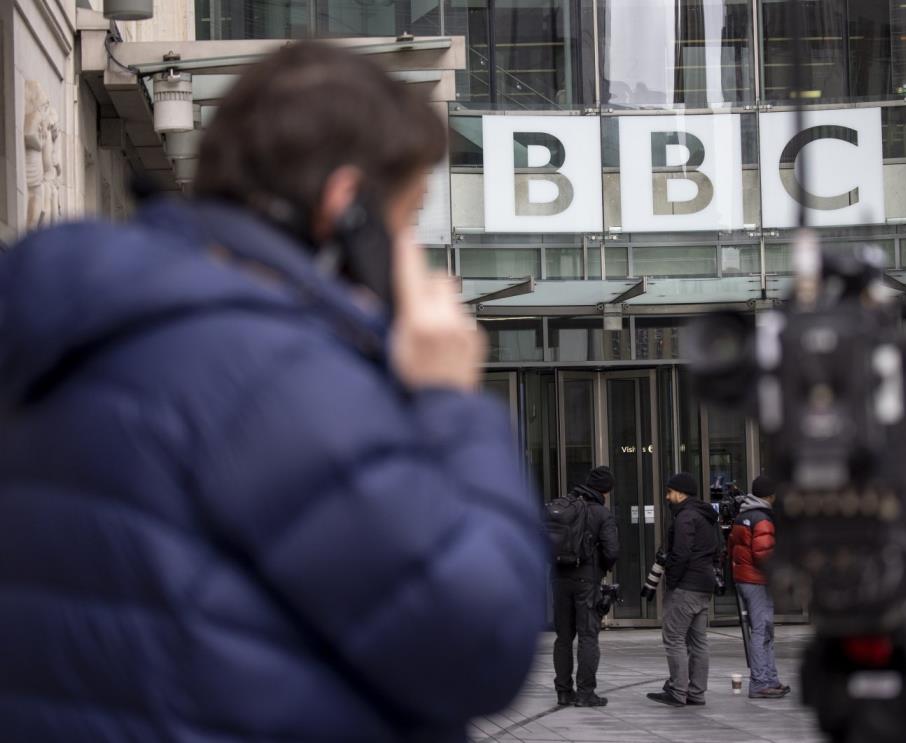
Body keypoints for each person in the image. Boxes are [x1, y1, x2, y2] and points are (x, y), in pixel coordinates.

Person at [0, 42, 548, 741]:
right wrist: (452, 402)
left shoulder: (91, 329)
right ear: (344, 206)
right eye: (407, 220)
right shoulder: (268, 370)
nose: (415, 255)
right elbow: (479, 645)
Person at [647, 472, 720, 707]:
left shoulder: (685, 517)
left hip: (686, 586)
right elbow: (718, 550)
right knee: (699, 641)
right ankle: (697, 692)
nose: (667, 497)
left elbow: (680, 554)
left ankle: (678, 691)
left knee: (674, 638)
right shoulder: (707, 516)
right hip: (704, 584)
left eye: (669, 492)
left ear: (680, 492)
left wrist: (673, 582)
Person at [552, 466, 620, 708]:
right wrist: (600, 567)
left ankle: (563, 691)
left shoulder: (565, 507)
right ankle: (585, 692)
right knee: (588, 636)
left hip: (559, 579)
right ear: (607, 489)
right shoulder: (601, 513)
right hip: (586, 581)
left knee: (563, 637)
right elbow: (612, 551)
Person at [728, 474, 790, 699]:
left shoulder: (743, 515)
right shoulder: (763, 519)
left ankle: (770, 678)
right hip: (757, 580)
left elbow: (732, 547)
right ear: (771, 495)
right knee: (762, 630)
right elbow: (763, 554)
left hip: (744, 577)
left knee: (764, 629)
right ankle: (760, 682)